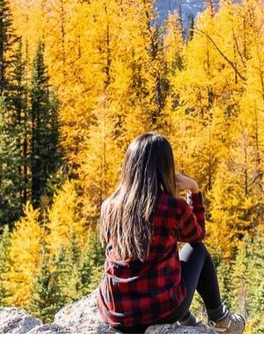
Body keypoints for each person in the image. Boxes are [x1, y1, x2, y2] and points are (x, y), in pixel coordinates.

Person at [97, 133, 245, 333]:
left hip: (116, 314)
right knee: (198, 250)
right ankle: (220, 319)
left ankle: (190, 319)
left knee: (150, 264)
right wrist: (194, 189)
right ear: (166, 168)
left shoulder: (109, 207)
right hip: (161, 311)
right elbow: (196, 236)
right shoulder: (173, 207)